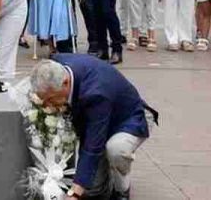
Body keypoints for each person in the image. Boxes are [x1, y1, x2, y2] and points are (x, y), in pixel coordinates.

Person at [29, 56, 156, 200]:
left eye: (51, 99)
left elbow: (93, 145)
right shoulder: (57, 64)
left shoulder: (96, 93)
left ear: (65, 83)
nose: (47, 105)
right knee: (94, 189)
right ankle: (105, 175)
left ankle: (122, 190)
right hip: (96, 120)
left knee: (116, 150)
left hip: (128, 119)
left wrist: (75, 194)